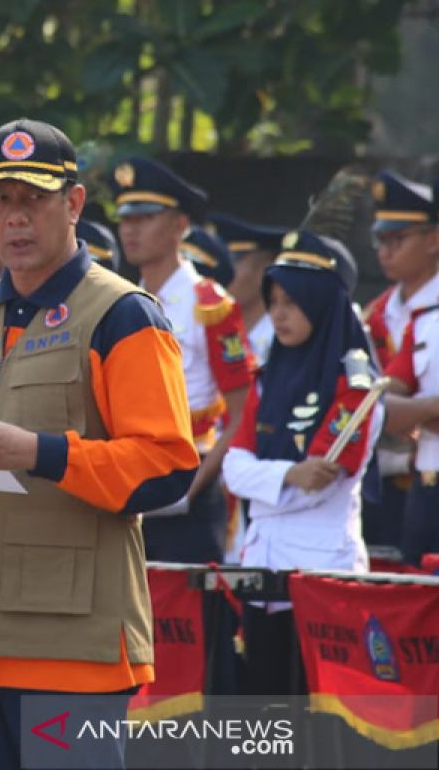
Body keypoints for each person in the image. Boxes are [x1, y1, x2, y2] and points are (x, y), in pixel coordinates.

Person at [0, 119, 199, 769]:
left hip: (71, 642)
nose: (16, 220)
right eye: (0, 202)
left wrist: (41, 453)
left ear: (74, 205)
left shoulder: (122, 314)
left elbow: (167, 469)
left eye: (34, 200)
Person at [222, 229, 378, 694]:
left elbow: (323, 481)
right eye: (274, 301)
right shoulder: (269, 377)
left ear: (323, 303)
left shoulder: (356, 385)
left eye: (293, 301)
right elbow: (233, 467)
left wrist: (263, 482)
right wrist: (287, 473)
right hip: (263, 567)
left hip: (321, 577)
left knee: (318, 713)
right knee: (263, 702)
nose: (279, 314)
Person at [114, 157, 254, 563]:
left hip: (189, 481)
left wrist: (191, 487)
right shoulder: (119, 301)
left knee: (189, 621)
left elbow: (242, 411)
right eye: (125, 217)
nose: (130, 228)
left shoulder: (209, 305)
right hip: (128, 479)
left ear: (180, 226)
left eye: (146, 216)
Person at [361, 171, 438, 549]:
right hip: (403, 474)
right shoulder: (380, 314)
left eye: (398, 239)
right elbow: (379, 399)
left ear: (433, 239)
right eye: (381, 240)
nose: (385, 252)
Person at [209, 213, 285, 367]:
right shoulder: (207, 333)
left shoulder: (286, 341)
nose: (217, 273)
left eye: (229, 264)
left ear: (265, 271)